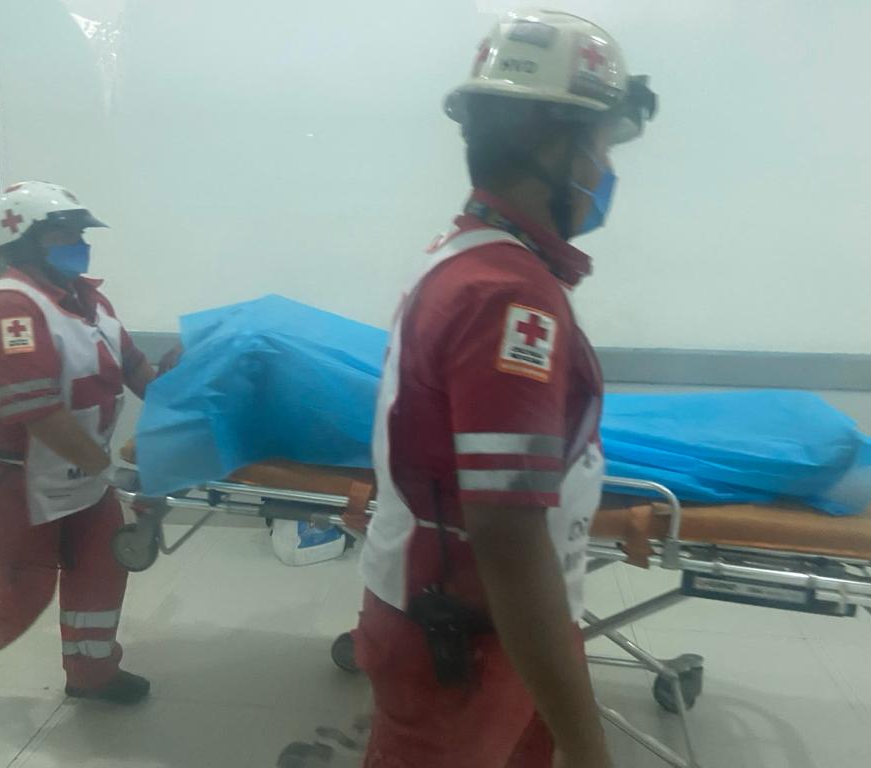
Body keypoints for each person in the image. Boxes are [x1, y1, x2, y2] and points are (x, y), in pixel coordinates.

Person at [354, 10, 656, 767]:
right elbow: (508, 535)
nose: (604, 171)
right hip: (466, 640)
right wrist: (588, 746)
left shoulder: (466, 254)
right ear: (550, 144)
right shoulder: (508, 295)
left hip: (472, 623)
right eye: (600, 146)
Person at [0, 181, 157, 707]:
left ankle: (92, 674)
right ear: (22, 241)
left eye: (80, 234)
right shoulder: (8, 310)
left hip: (83, 476)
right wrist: (107, 468)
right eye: (63, 234)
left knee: (101, 573)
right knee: (15, 600)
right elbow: (38, 412)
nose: (79, 243)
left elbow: (136, 368)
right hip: (9, 487)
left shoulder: (91, 300)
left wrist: (188, 395)